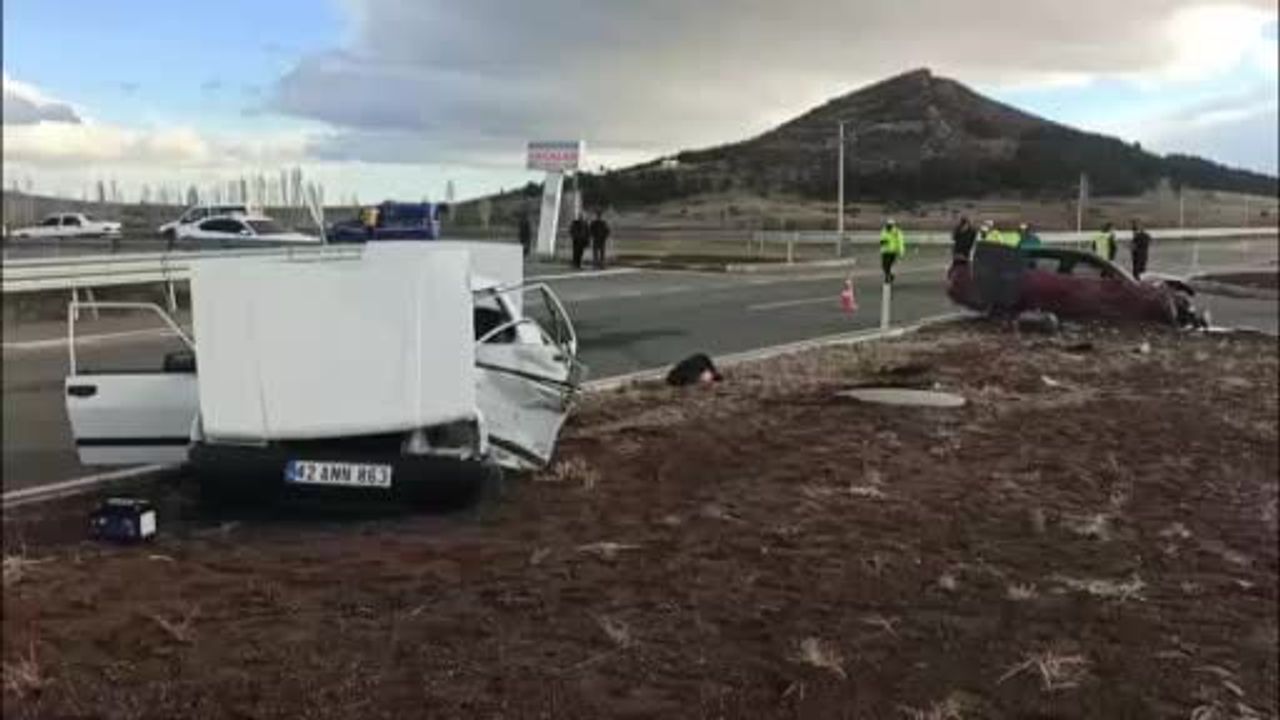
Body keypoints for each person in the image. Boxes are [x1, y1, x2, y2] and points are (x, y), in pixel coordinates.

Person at [879, 218, 905, 283]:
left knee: (889, 264)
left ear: (893, 225)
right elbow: (881, 238)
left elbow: (900, 242)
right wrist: (882, 242)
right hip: (884, 251)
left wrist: (901, 251)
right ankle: (889, 275)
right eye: (888, 225)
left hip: (892, 251)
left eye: (890, 225)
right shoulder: (884, 231)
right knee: (884, 265)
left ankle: (888, 277)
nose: (888, 226)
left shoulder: (897, 232)